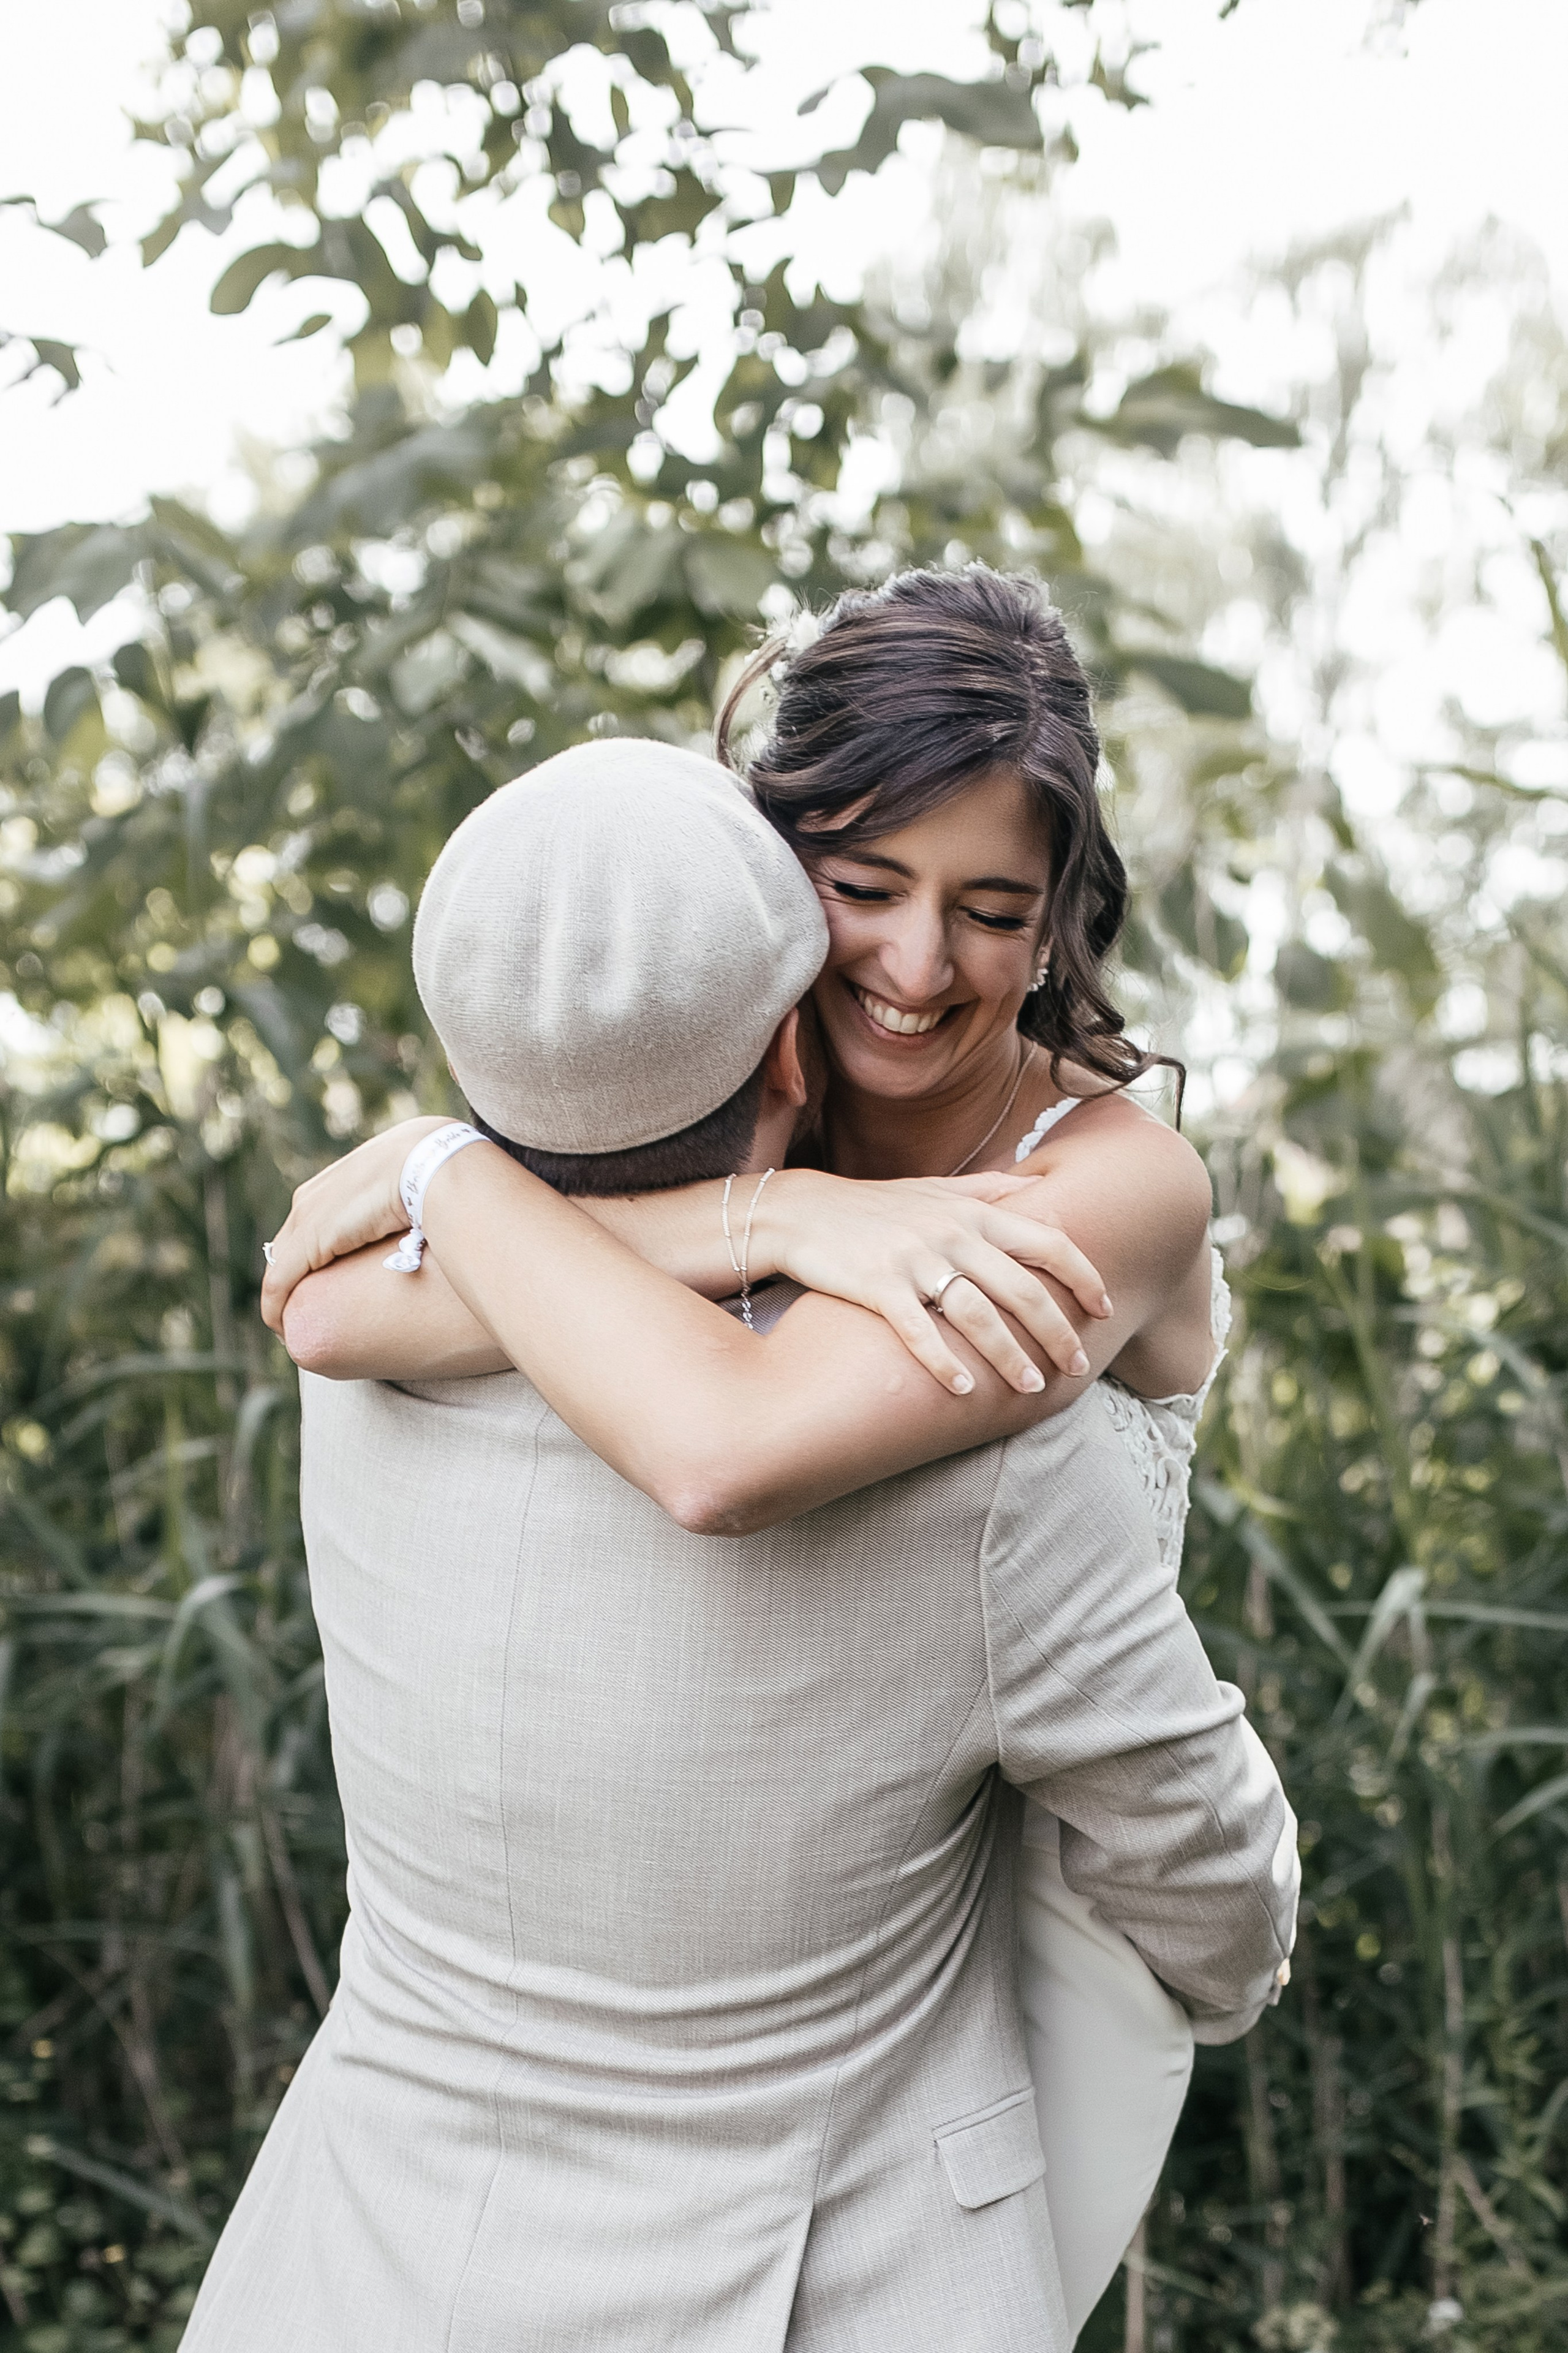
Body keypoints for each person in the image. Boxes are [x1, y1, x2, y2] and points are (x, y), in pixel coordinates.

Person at [202, 739, 1298, 2353]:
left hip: (356, 2260)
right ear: (793, 1040)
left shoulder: (364, 1351)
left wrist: (450, 1170)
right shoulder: (980, 1438)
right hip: (830, 2283)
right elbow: (1211, 1880)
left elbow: (425, 1264)